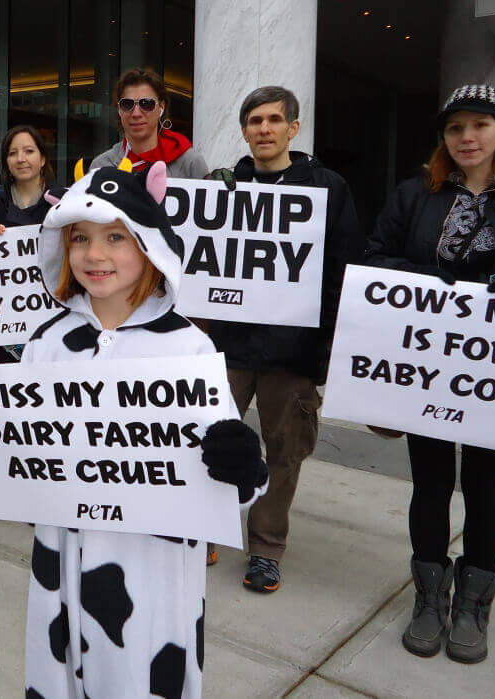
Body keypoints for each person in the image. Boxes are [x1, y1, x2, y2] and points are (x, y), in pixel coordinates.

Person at [0, 160, 269, 698]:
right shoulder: (44, 341)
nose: (95, 254)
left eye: (116, 236)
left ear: (150, 244)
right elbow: (18, 446)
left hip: (154, 574)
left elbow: (241, 489)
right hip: (60, 559)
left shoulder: (189, 348)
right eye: (81, 238)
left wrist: (242, 465)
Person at [365, 85, 495, 664]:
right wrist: (433, 281)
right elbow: (377, 256)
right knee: (429, 485)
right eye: (455, 128)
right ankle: (430, 596)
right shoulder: (416, 195)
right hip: (430, 369)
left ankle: (475, 599)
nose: (467, 138)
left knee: (486, 490)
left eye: (479, 125)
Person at [203, 86, 363, 585]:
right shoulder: (223, 186)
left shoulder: (328, 188)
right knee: (206, 440)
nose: (264, 129)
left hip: (291, 355)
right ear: (245, 130)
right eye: (255, 121)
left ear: (293, 128)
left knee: (285, 454)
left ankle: (266, 546)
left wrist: (327, 350)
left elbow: (342, 268)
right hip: (227, 347)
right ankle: (203, 530)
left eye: (274, 120)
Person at [90, 68, 208, 178]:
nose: (136, 113)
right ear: (119, 110)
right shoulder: (101, 166)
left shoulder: (190, 164)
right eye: (127, 104)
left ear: (161, 108)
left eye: (146, 104)